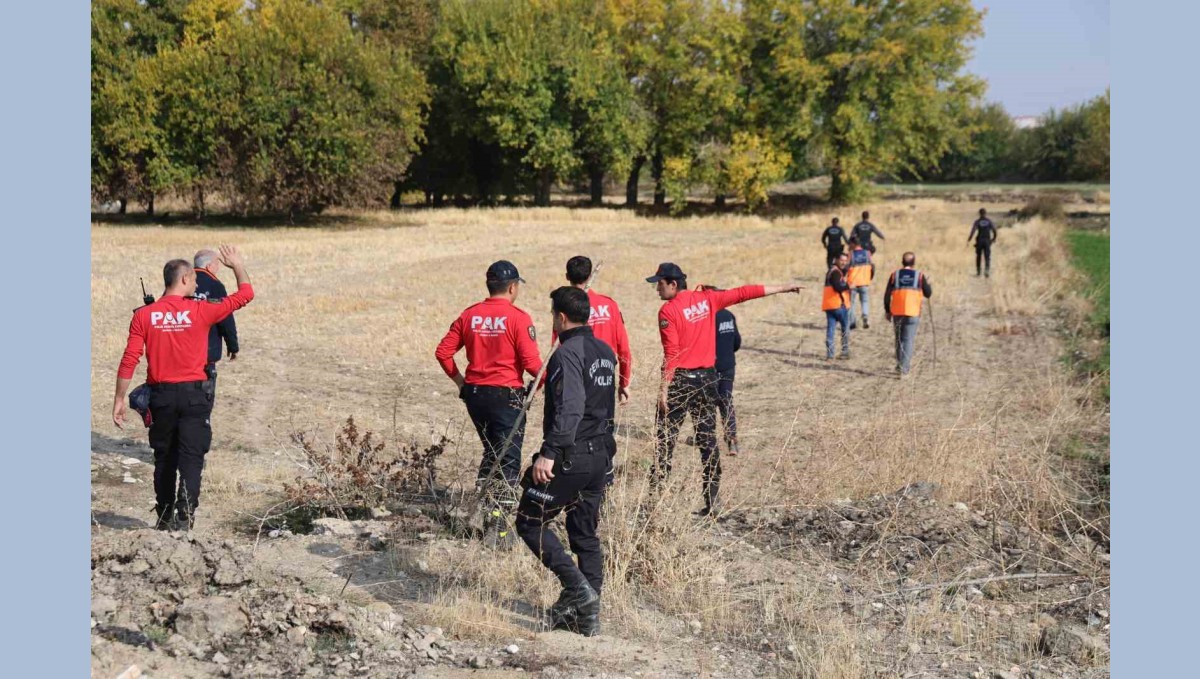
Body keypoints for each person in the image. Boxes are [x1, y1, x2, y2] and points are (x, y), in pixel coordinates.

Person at [112, 245, 255, 531]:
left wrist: (118, 399)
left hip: (161, 397)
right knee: (192, 455)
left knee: (164, 457)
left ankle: (164, 515)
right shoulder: (201, 311)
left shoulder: (144, 315)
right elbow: (245, 295)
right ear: (185, 279)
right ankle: (186, 514)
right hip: (194, 395)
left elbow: (130, 359)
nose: (197, 284)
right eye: (194, 279)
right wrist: (237, 265)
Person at [646, 263, 801, 517]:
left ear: (673, 284)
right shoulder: (709, 299)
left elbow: (671, 353)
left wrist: (663, 389)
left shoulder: (668, 311)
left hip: (681, 382)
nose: (657, 290)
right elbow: (744, 292)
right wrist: (782, 287)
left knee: (664, 440)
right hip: (708, 380)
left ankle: (656, 502)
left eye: (659, 284)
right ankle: (713, 501)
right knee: (708, 441)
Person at [514, 287, 616, 637]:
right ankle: (586, 618)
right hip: (601, 455)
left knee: (529, 522)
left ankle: (579, 591)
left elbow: (571, 408)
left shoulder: (566, 353)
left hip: (573, 456)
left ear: (559, 317)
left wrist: (549, 453)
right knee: (583, 534)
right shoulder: (605, 351)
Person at [435, 260, 543, 547]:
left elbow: (443, 352)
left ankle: (486, 512)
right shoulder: (518, 318)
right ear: (512, 287)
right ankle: (499, 530)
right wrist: (549, 379)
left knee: (492, 452)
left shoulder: (470, 315)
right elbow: (533, 365)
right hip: (506, 396)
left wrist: (460, 382)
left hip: (476, 395)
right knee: (507, 460)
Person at [192, 249, 240, 399]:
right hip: (206, 354)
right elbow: (225, 318)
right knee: (203, 399)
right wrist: (233, 345)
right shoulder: (215, 285)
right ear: (209, 266)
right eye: (217, 263)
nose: (218, 267)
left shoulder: (181, 281)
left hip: (178, 354)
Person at [883, 252, 933, 377]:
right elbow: (928, 294)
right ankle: (904, 368)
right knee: (908, 340)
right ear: (914, 262)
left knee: (899, 339)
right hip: (912, 312)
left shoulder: (895, 275)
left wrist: (887, 311)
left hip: (897, 312)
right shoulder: (919, 276)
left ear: (902, 261)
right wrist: (928, 285)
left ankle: (900, 364)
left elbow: (887, 295)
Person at [714, 307, 741, 456]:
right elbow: (737, 342)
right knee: (726, 401)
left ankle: (705, 438)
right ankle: (732, 440)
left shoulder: (707, 316)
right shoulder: (729, 315)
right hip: (729, 365)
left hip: (710, 367)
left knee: (707, 403)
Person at [823, 252, 852, 360]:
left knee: (831, 330)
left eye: (845, 260)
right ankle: (844, 352)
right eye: (842, 260)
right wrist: (849, 285)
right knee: (845, 330)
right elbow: (838, 287)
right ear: (836, 260)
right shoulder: (835, 273)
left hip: (829, 306)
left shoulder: (832, 271)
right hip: (839, 305)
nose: (844, 262)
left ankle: (830, 355)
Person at [846, 236, 875, 330]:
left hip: (852, 283)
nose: (848, 245)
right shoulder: (867, 253)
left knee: (851, 303)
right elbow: (873, 266)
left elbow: (846, 267)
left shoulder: (850, 254)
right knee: (865, 301)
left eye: (849, 243)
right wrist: (870, 277)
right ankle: (865, 315)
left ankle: (852, 322)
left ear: (853, 244)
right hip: (864, 282)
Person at [967, 207, 998, 277]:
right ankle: (986, 271)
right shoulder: (989, 221)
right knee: (987, 256)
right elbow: (994, 231)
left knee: (978, 256)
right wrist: (993, 239)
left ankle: (978, 272)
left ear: (979, 214)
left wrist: (969, 240)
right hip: (987, 240)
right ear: (985, 213)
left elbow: (973, 231)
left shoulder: (977, 222)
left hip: (979, 241)